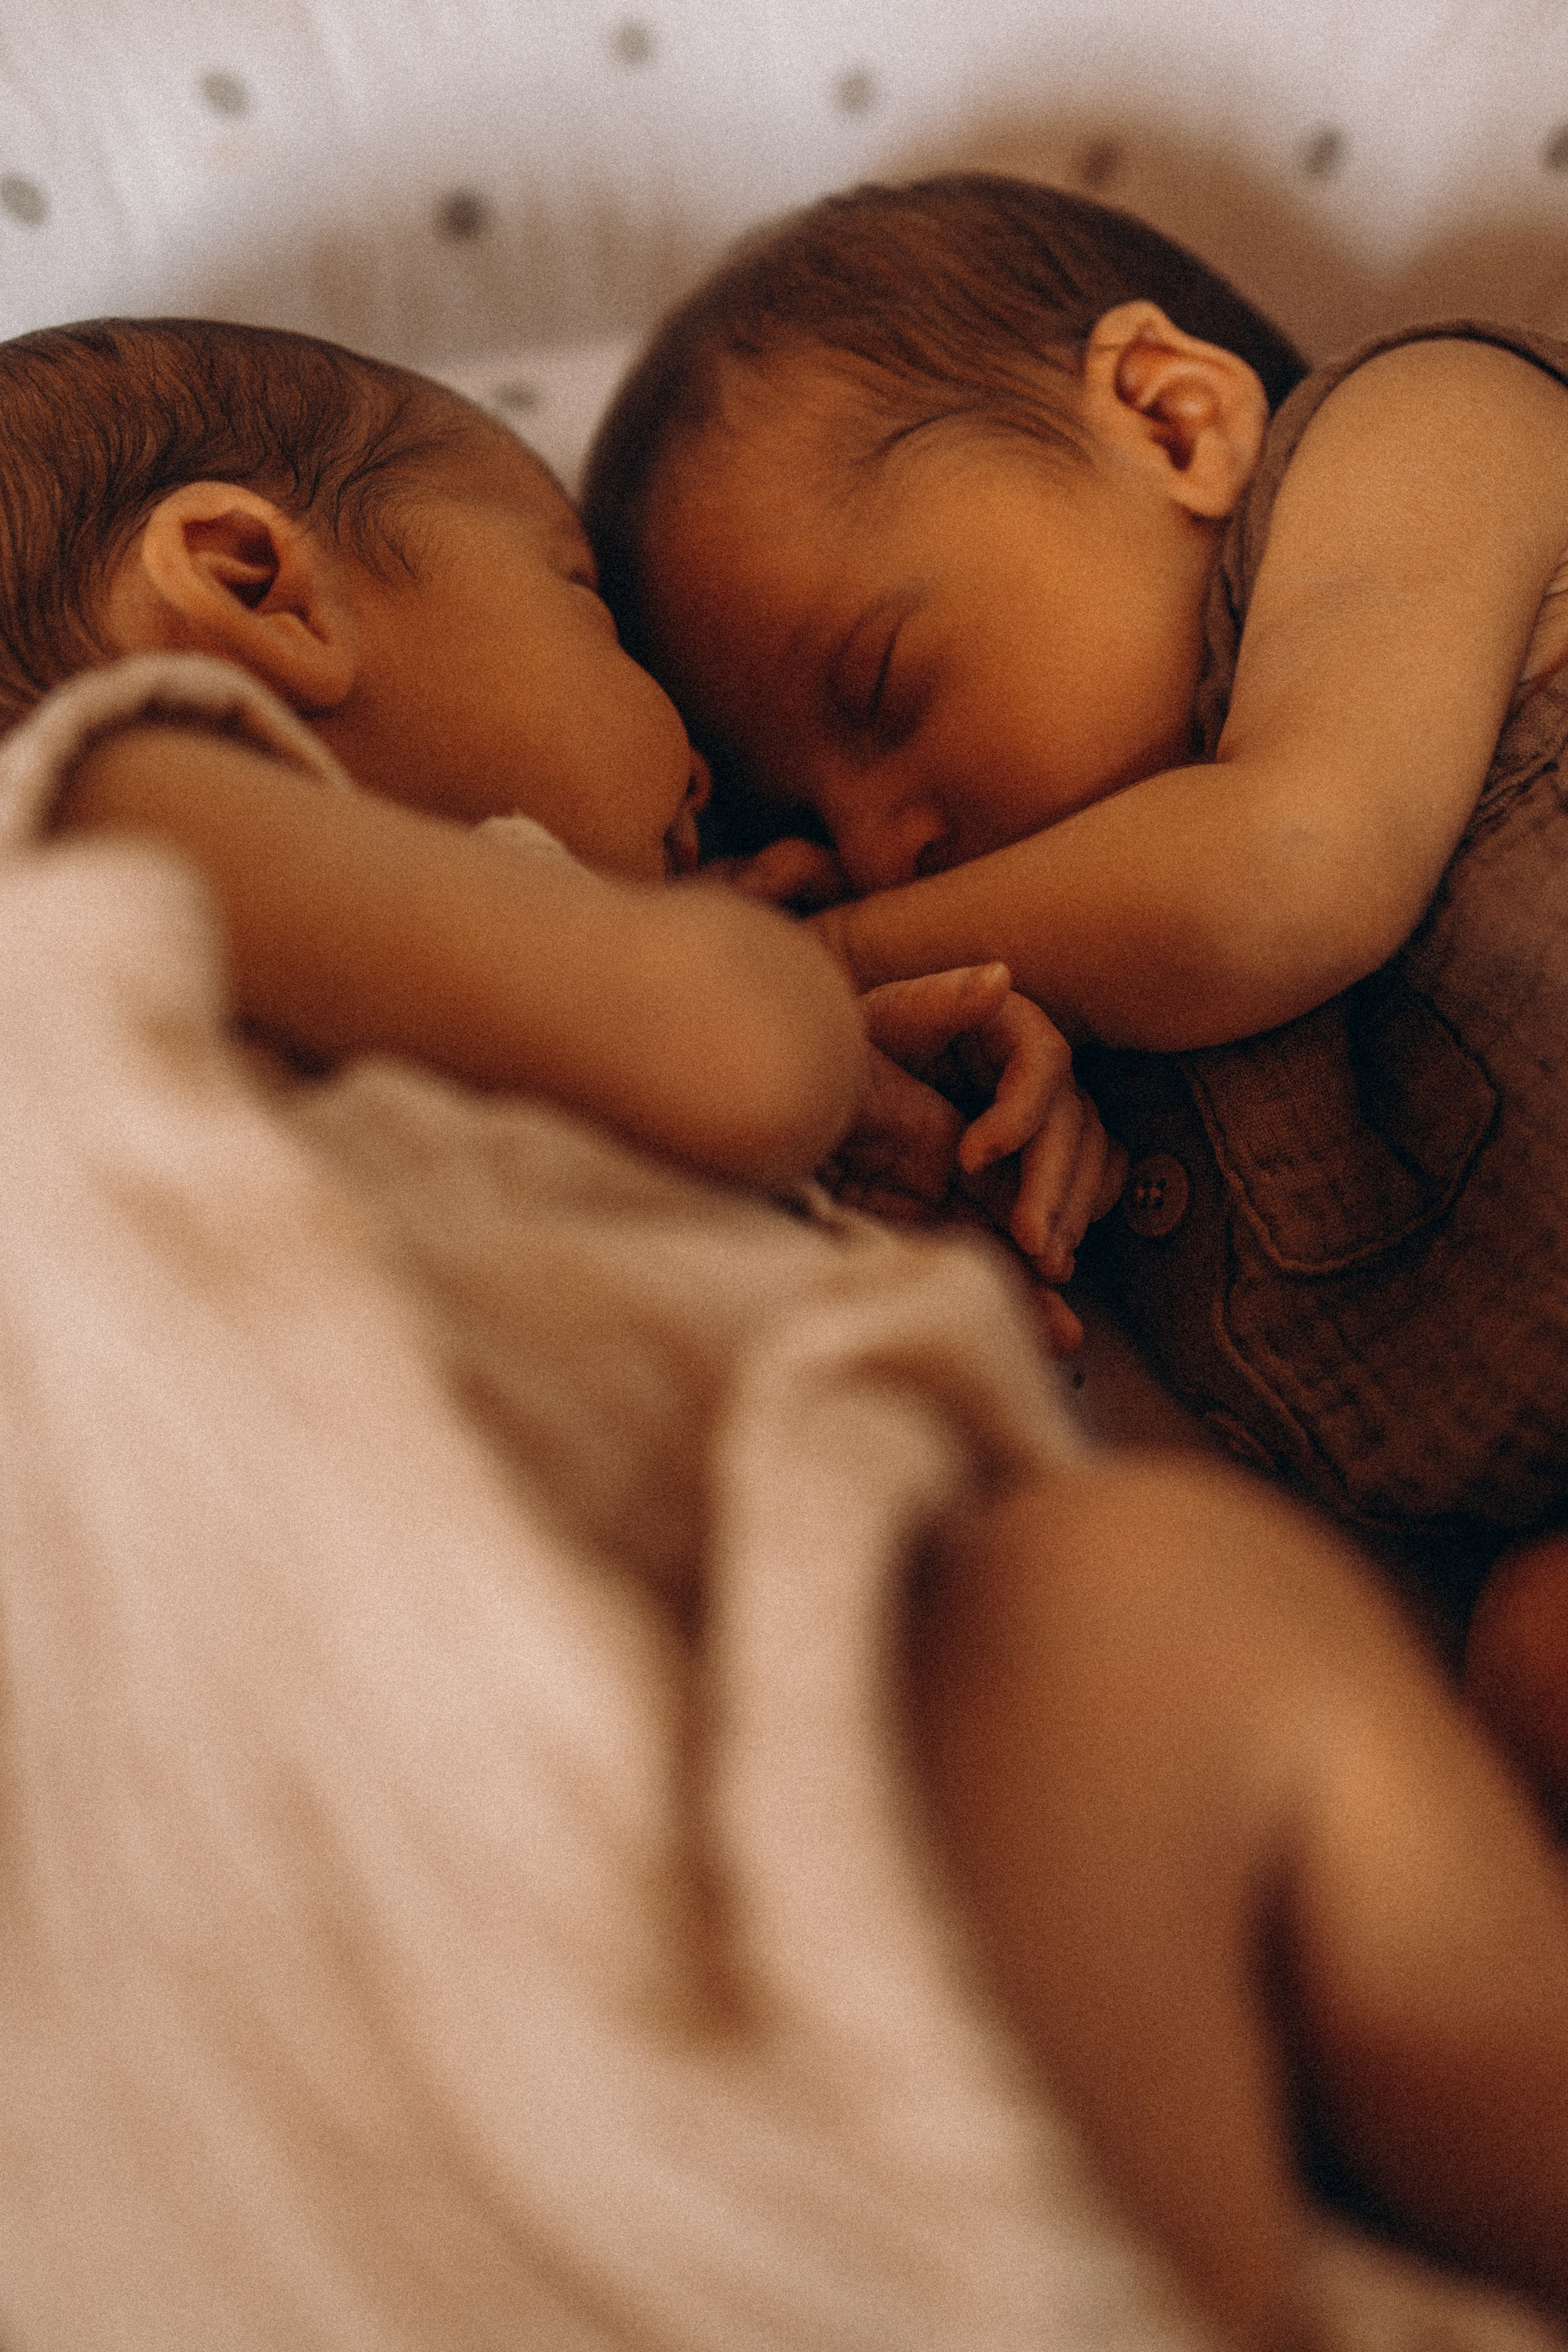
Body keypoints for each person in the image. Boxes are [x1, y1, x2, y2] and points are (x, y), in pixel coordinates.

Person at [9, 312, 1568, 2352]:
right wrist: (772, 999)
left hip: (724, 1861)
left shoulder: (438, 1052)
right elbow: (731, 1049)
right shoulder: (116, 821)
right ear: (254, 587)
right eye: (583, 602)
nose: (763, 817)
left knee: (1157, 1623)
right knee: (1162, 1620)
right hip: (434, 1847)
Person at [580, 170, 1568, 1817]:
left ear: (1172, 421)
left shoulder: (1418, 437)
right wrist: (974, 1242)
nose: (888, 844)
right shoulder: (1103, 1090)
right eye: (813, 838)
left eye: (884, 688)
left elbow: (1287, 871)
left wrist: (794, 972)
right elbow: (1292, 1582)